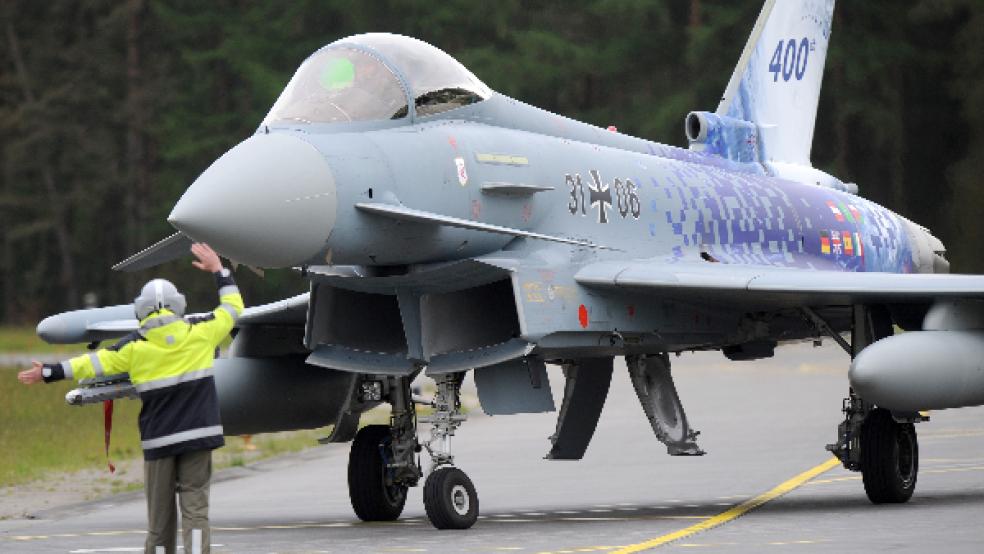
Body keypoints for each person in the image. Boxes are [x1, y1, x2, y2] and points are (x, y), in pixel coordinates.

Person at [18, 243, 244, 554]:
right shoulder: (201, 333)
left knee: (160, 521)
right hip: (199, 437)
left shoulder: (133, 347)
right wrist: (219, 271)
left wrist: (48, 372)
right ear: (179, 305)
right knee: (196, 513)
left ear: (140, 310)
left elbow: (88, 364)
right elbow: (233, 308)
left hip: (159, 443)